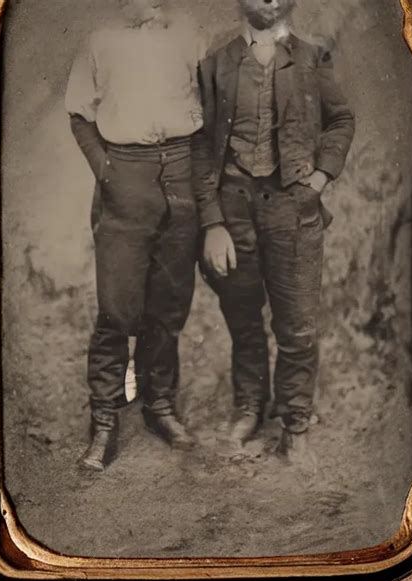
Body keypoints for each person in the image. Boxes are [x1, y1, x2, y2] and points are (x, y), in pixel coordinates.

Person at [193, 0, 355, 463]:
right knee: (243, 318)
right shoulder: (217, 62)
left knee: (297, 326)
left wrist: (321, 177)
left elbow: (342, 119)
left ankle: (295, 421)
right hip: (234, 209)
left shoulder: (312, 57)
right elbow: (203, 144)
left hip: (292, 209)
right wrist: (212, 222)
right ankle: (249, 406)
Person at [65, 0, 206, 471]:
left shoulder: (191, 36)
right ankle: (104, 421)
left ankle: (159, 406)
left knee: (168, 305)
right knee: (118, 307)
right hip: (126, 176)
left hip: (181, 172)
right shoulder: (101, 41)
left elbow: (210, 110)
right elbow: (80, 115)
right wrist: (107, 172)